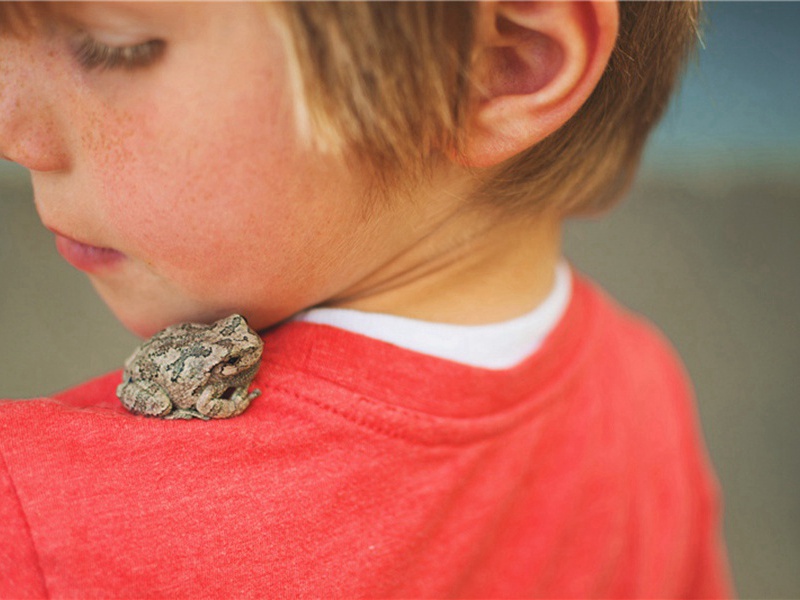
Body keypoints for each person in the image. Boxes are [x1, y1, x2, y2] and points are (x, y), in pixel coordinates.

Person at [0, 1, 733, 596]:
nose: (9, 127)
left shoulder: (33, 514)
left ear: (492, 66)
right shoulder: (647, 384)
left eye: (111, 45)